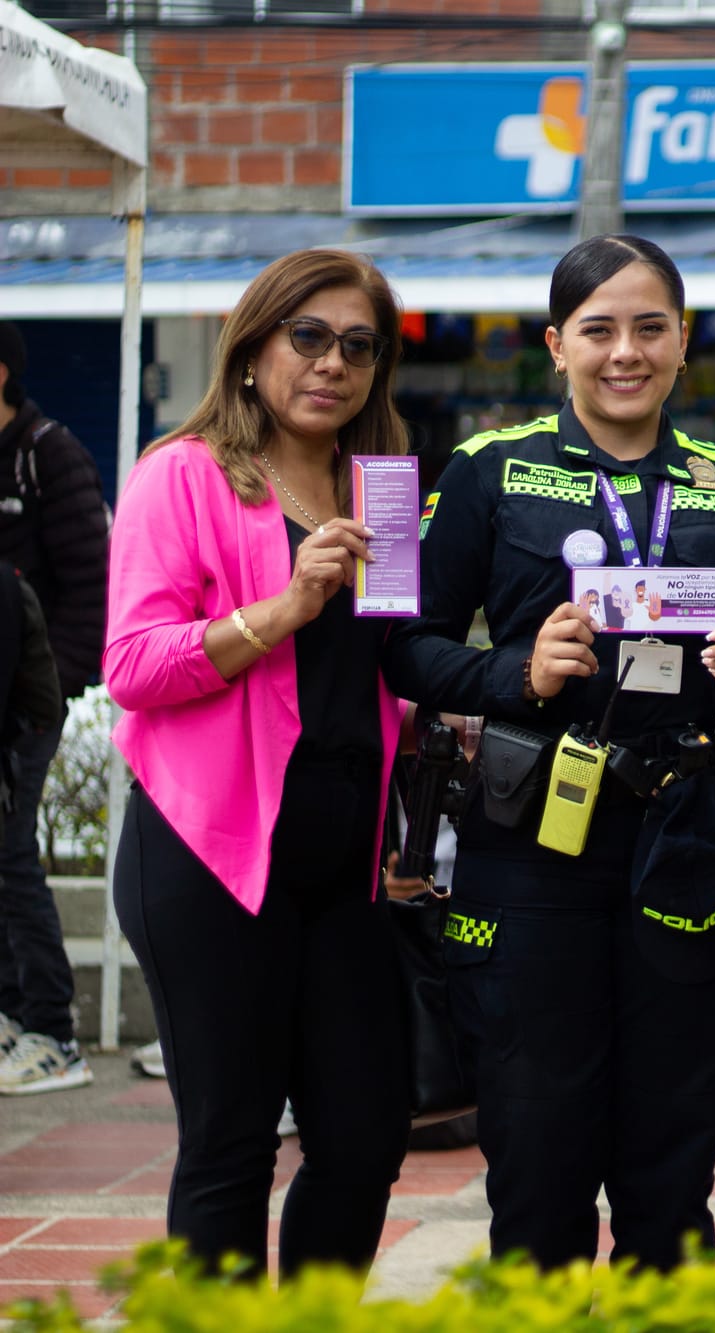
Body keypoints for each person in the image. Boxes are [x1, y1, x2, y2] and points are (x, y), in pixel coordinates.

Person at [382, 234, 715, 1272]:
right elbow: (400, 645)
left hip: (687, 842)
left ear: (682, 343)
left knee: (672, 1174)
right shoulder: (489, 470)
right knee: (535, 1167)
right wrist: (513, 674)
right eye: (600, 329)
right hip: (529, 847)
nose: (626, 352)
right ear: (556, 345)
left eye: (648, 327)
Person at [103, 249, 412, 1274]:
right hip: (210, 853)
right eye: (309, 337)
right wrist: (280, 608)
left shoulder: (385, 489)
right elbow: (135, 667)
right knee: (230, 1143)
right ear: (251, 350)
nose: (332, 364)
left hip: (347, 861)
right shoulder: (179, 474)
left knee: (366, 1139)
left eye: (358, 346)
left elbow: (395, 670)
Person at [0, 320, 108, 1096]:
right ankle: (12, 1015)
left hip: (27, 702)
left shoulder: (48, 452)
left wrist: (49, 690)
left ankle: (53, 1031)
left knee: (9, 858)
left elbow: (93, 589)